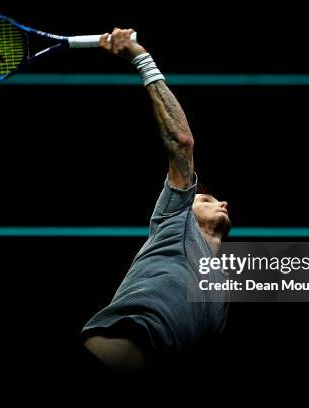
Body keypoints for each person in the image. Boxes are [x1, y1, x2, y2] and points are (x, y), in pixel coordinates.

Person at [80, 28, 232, 373]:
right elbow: (181, 142)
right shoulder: (174, 220)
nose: (220, 202)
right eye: (205, 197)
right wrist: (139, 57)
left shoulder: (222, 289)